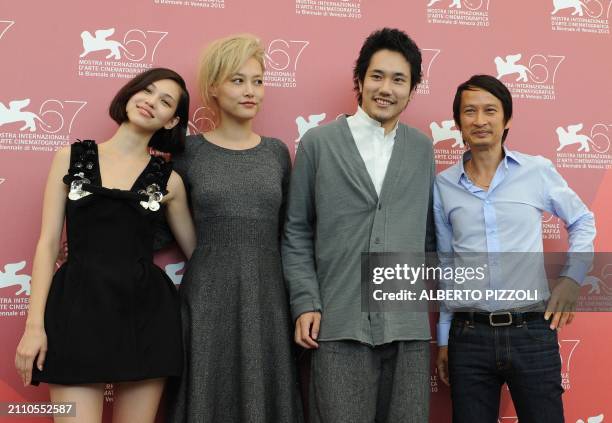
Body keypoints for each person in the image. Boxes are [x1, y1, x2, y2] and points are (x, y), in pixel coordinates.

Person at [14, 68, 197, 423]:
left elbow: (198, 253)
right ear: (130, 93)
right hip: (76, 311)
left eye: (165, 101)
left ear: (171, 119)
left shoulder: (169, 180)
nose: (151, 102)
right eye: (148, 91)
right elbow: (49, 243)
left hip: (147, 317)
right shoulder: (71, 157)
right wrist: (34, 326)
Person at [282, 28, 435, 423]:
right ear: (361, 80)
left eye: (399, 79)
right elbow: (296, 230)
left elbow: (429, 233)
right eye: (377, 76)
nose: (386, 88)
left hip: (407, 328)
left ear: (412, 88)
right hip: (337, 321)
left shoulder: (421, 149)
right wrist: (305, 302)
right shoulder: (318, 143)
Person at [434, 74, 596, 423]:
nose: (480, 120)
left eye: (490, 110)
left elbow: (583, 221)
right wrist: (444, 338)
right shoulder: (443, 186)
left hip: (532, 332)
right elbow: (447, 266)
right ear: (458, 123)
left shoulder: (536, 171)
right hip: (469, 337)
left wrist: (571, 280)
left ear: (506, 119)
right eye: (470, 112)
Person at [165, 34, 303, 423]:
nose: (251, 91)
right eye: (238, 80)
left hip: (268, 294)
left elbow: (292, 234)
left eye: (258, 81)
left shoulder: (278, 152)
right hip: (207, 295)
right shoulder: (187, 152)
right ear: (213, 87)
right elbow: (160, 226)